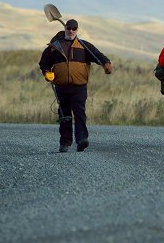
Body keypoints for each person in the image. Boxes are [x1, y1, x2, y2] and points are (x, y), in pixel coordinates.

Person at [39, 19, 113, 153]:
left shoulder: (84, 46)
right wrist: (46, 72)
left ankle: (82, 140)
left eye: (74, 28)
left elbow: (98, 56)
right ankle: (65, 143)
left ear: (77, 29)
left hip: (79, 87)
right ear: (65, 28)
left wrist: (106, 64)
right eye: (69, 28)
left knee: (79, 113)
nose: (71, 31)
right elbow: (44, 62)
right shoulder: (53, 47)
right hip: (61, 87)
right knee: (64, 115)